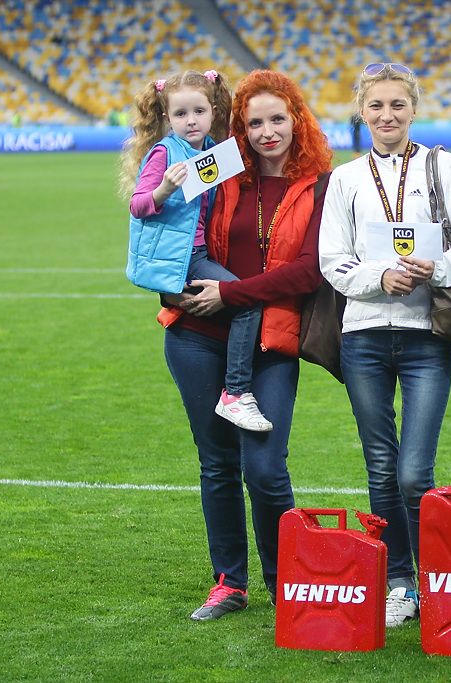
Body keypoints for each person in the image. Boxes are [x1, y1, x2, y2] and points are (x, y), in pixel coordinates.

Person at [319, 62, 451, 627]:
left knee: (415, 471)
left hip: (426, 337)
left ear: (414, 109)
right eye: (376, 106)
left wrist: (435, 268)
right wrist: (380, 277)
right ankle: (399, 581)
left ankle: (435, 576)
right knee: (379, 465)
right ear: (362, 112)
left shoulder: (446, 166)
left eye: (397, 105)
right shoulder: (345, 178)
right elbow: (332, 262)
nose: (387, 115)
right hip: (363, 335)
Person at [158, 69, 333, 620]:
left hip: (272, 340)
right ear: (239, 127)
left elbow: (309, 271)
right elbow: (165, 228)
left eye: (277, 119)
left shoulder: (321, 182)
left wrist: (231, 293)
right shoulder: (222, 169)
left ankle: (286, 584)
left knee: (264, 467)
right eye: (254, 122)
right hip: (197, 336)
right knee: (216, 464)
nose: (266, 131)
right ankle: (230, 583)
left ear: (296, 119)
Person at [121, 69, 272, 431]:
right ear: (166, 118)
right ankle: (235, 393)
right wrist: (164, 190)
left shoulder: (210, 152)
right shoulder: (165, 153)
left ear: (213, 112)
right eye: (180, 114)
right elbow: (137, 205)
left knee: (236, 302)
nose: (191, 121)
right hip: (185, 258)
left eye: (198, 112)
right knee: (246, 301)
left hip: (201, 253)